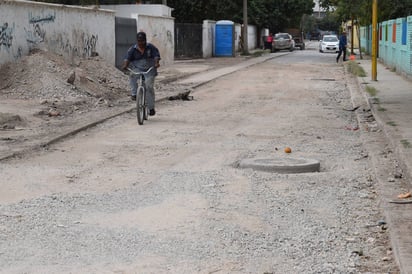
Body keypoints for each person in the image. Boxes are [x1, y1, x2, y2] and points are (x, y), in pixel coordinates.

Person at [121, 31, 161, 116]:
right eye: (139, 41)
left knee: (149, 87)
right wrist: (125, 66)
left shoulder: (151, 47)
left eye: (142, 41)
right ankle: (134, 94)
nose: (141, 43)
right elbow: (127, 58)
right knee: (132, 75)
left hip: (149, 69)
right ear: (137, 41)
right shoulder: (132, 49)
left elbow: (156, 56)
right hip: (138, 68)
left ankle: (151, 108)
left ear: (145, 40)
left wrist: (156, 63)